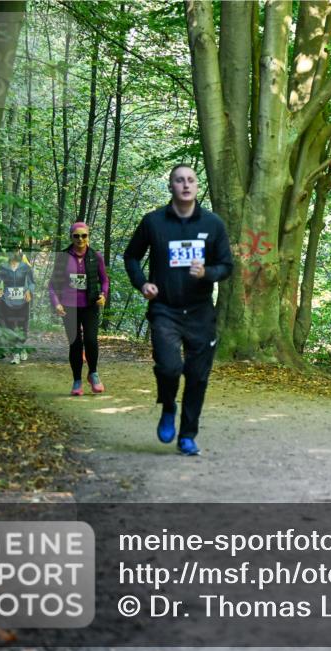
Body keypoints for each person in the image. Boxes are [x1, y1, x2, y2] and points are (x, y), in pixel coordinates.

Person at [123, 164, 233, 456]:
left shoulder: (213, 224)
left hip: (199, 312)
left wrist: (207, 272)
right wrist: (142, 283)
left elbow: (226, 266)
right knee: (170, 367)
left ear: (197, 186)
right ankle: (168, 405)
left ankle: (187, 436)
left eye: (191, 180)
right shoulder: (154, 222)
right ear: (170, 186)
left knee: (197, 377)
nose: (185, 185)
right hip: (165, 309)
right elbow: (132, 256)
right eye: (179, 180)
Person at [49, 221, 110, 396]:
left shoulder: (95, 256)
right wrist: (56, 303)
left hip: (90, 305)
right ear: (71, 237)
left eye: (84, 235)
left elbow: (104, 280)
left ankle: (93, 373)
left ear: (88, 236)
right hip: (69, 307)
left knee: (91, 340)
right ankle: (77, 380)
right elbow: (52, 285)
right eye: (76, 236)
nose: (80, 239)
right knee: (75, 343)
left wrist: (103, 295)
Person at [0, 244, 35, 364]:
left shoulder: (26, 267)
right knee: (11, 327)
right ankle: (16, 353)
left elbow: (32, 283)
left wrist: (29, 291)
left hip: (23, 302)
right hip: (8, 301)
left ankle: (20, 347)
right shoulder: (3, 267)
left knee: (23, 328)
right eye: (12, 251)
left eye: (17, 250)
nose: (15, 253)